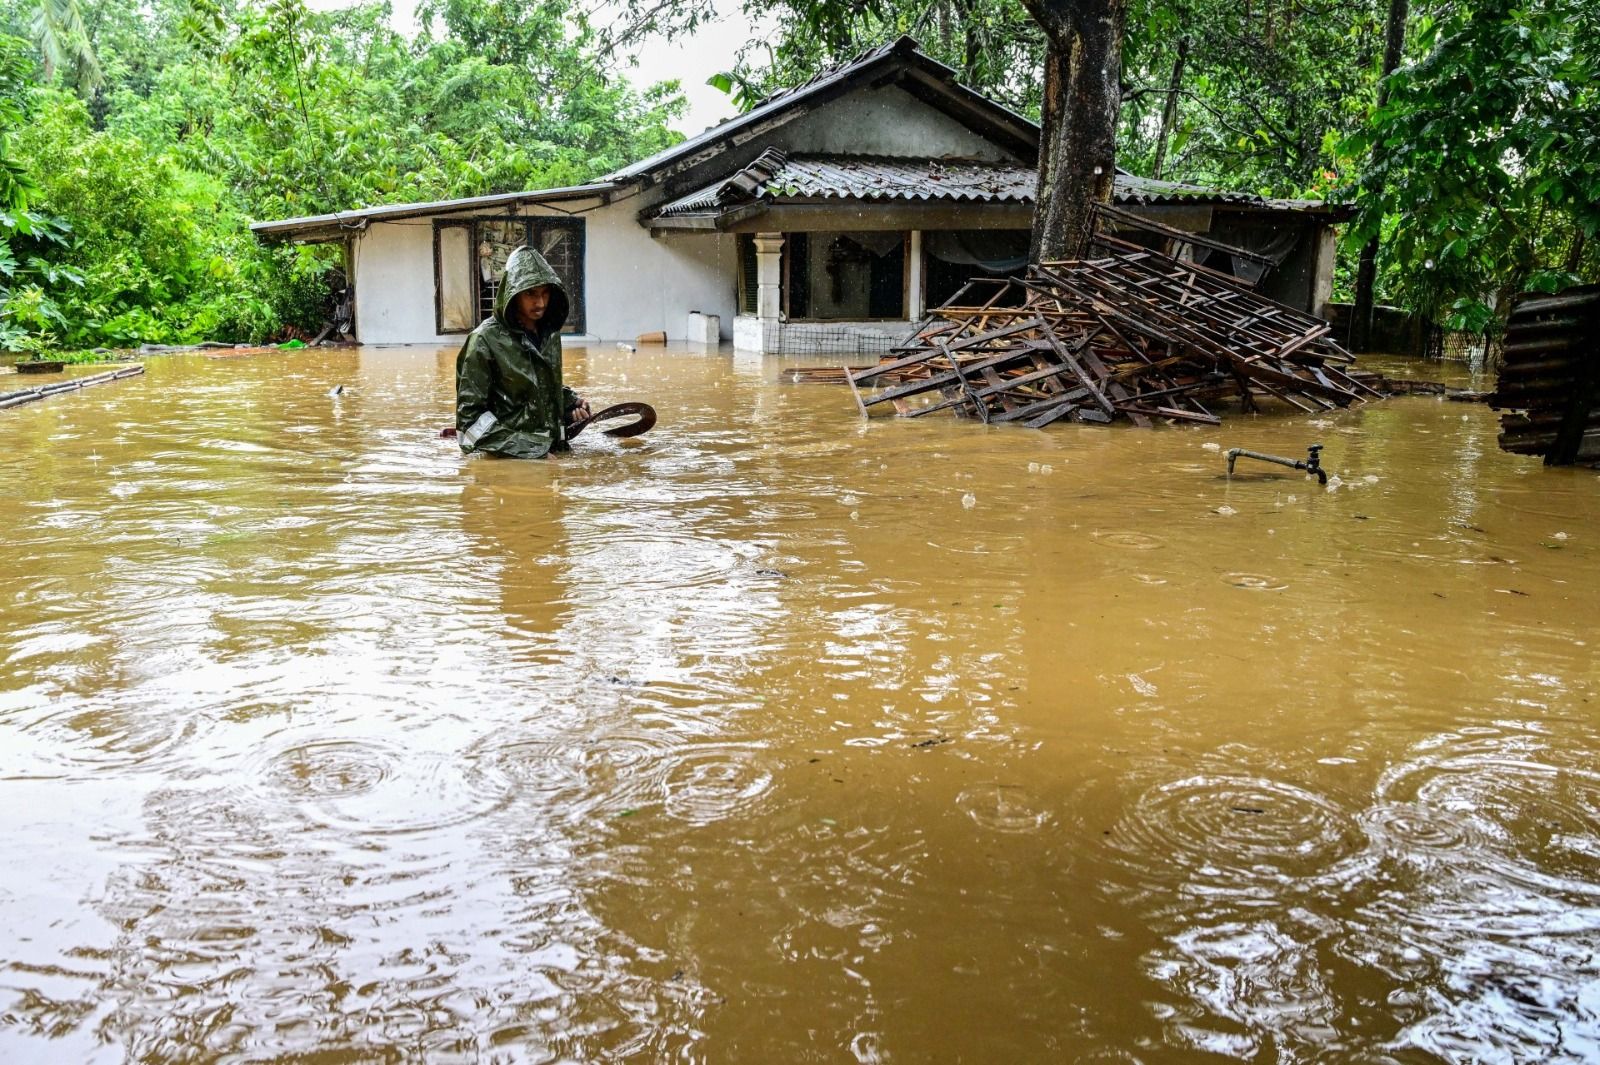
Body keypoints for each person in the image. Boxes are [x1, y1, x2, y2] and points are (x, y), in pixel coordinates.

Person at [455, 245, 590, 458]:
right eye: (531, 294)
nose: (541, 303)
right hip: (509, 465)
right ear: (512, 293)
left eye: (545, 292)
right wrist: (531, 452)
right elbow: (470, 426)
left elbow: (537, 387)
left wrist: (570, 404)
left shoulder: (550, 334)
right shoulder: (483, 340)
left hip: (553, 454)